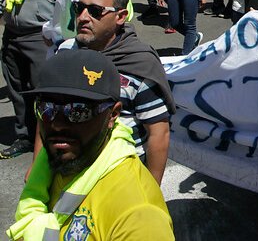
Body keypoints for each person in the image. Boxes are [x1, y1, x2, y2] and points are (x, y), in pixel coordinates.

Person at [7, 50, 174, 240]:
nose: (58, 124)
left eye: (79, 111)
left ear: (113, 114)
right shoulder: (53, 165)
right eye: (47, 109)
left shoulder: (138, 215)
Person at [49, 0, 175, 186]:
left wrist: (151, 190)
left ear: (120, 17)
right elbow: (46, 111)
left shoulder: (140, 64)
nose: (82, 17)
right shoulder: (64, 53)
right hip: (69, 174)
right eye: (79, 8)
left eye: (95, 11)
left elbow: (158, 133)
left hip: (122, 179)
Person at [0, 0, 73, 159]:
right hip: (12, 34)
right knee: (16, 90)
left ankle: (48, 139)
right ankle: (24, 136)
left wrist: (56, 38)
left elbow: (66, 4)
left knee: (43, 91)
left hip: (40, 37)